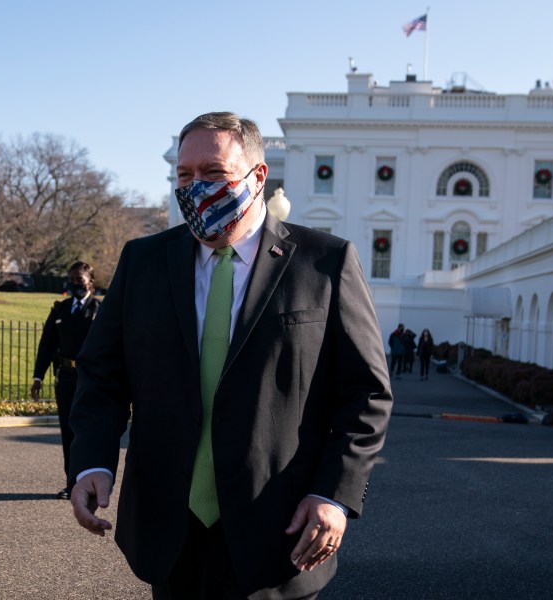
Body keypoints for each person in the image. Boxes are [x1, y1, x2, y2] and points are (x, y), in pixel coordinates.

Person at [67, 112, 393, 600]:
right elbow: (101, 375)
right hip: (168, 534)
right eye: (184, 175)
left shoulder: (325, 263)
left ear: (258, 177)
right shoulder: (143, 262)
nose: (195, 187)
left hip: (280, 534)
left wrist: (334, 495)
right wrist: (91, 461)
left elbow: (366, 393)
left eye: (213, 173)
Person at [31, 261, 101, 499]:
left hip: (91, 379)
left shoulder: (100, 310)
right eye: (71, 281)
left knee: (89, 432)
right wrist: (38, 376)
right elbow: (47, 345)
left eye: (79, 281)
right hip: (67, 377)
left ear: (90, 282)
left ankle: (89, 482)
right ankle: (72, 484)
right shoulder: (60, 309)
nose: (74, 286)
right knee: (68, 431)